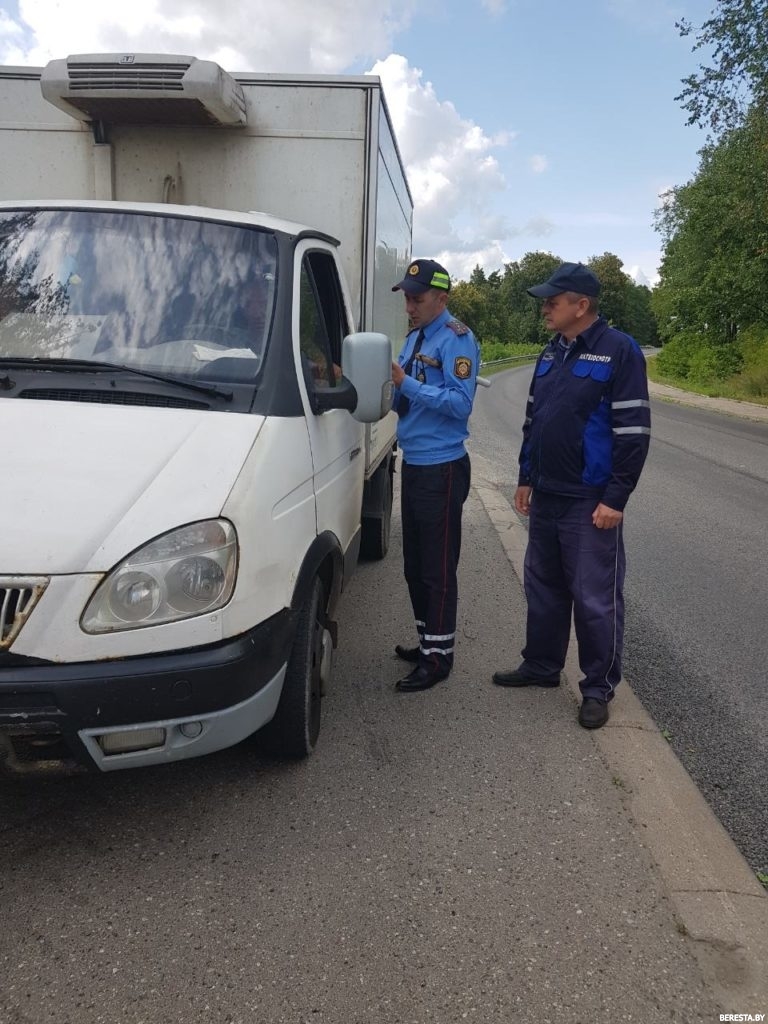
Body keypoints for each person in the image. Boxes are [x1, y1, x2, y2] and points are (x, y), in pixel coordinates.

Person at [492, 262, 651, 729]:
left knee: (595, 598)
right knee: (543, 587)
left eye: (553, 301)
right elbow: (533, 420)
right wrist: (526, 477)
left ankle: (597, 688)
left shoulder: (619, 350)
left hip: (589, 499)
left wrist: (616, 498)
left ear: (582, 305)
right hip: (547, 493)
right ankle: (542, 666)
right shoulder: (551, 351)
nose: (545, 308)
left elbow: (634, 432)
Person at [390, 259, 479, 692]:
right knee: (414, 566)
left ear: (441, 299)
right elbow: (402, 399)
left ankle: (439, 659)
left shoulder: (456, 339)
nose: (410, 307)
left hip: (441, 468)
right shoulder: (415, 338)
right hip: (415, 463)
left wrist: (405, 383)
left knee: (437, 568)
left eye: (417, 299)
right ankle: (429, 642)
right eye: (407, 298)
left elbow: (460, 404)